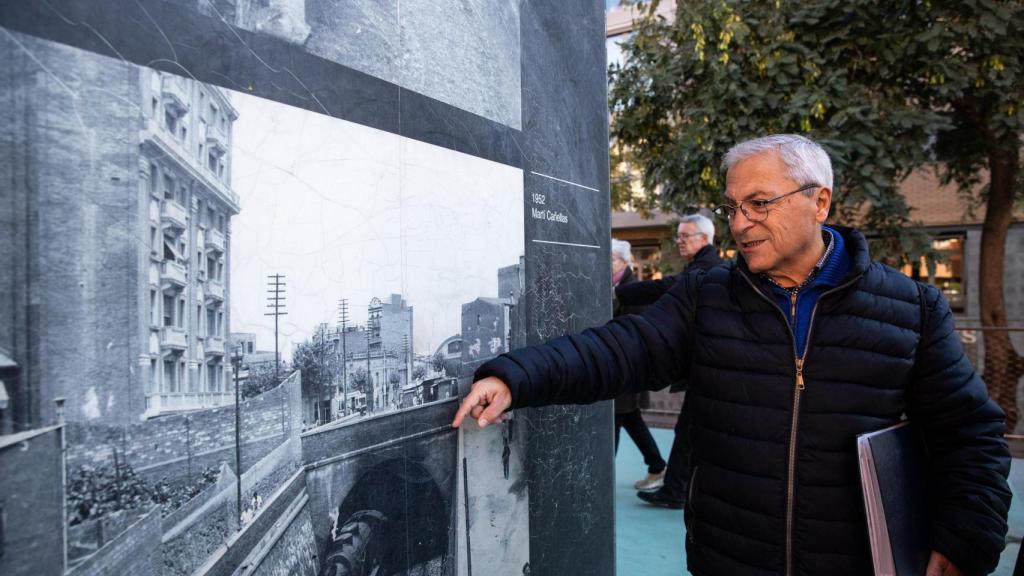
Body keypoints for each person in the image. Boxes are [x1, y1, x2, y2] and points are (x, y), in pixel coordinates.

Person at [453, 134, 1011, 576]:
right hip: (730, 558)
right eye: (734, 206)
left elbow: (971, 433)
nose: (740, 223)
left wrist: (965, 538)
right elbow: (621, 349)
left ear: (820, 201)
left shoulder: (910, 307)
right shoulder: (710, 294)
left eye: (760, 204)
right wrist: (516, 375)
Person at [615, 214, 724, 508]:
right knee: (690, 430)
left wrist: (618, 292)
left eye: (685, 236)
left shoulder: (706, 269)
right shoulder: (706, 266)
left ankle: (675, 490)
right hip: (707, 365)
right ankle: (677, 487)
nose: (680, 241)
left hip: (709, 365)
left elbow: (665, 287)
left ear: (703, 238)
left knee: (689, 430)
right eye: (679, 236)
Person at [610, 239, 667, 490]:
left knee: (617, 418)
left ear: (623, 261)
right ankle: (657, 466)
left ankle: (604, 478)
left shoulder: (633, 289)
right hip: (621, 369)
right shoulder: (616, 285)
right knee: (628, 418)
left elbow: (632, 331)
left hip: (627, 369)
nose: (606, 264)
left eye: (610, 259)